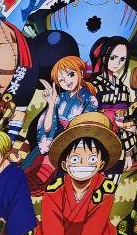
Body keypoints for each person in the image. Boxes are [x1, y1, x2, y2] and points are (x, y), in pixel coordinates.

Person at [13, 112, 123, 235]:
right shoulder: (54, 189)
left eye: (92, 159)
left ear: (101, 163)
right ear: (64, 164)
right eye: (75, 159)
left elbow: (93, 229)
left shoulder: (105, 188)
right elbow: (51, 228)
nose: (83, 164)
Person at [25, 55, 99, 185]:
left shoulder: (90, 99)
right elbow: (47, 128)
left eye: (71, 74)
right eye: (61, 80)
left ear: (81, 73)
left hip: (75, 143)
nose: (67, 81)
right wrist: (51, 103)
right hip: (54, 139)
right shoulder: (59, 98)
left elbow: (85, 127)